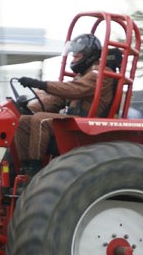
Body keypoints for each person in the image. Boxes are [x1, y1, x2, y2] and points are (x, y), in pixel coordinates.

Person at [13, 34, 113, 176]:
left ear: (88, 56)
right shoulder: (83, 75)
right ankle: (24, 167)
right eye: (73, 56)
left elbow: (75, 90)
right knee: (23, 120)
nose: (73, 60)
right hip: (73, 120)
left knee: (41, 120)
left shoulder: (101, 74)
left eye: (77, 56)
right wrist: (27, 108)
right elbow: (57, 99)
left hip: (85, 123)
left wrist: (41, 84)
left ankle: (35, 171)